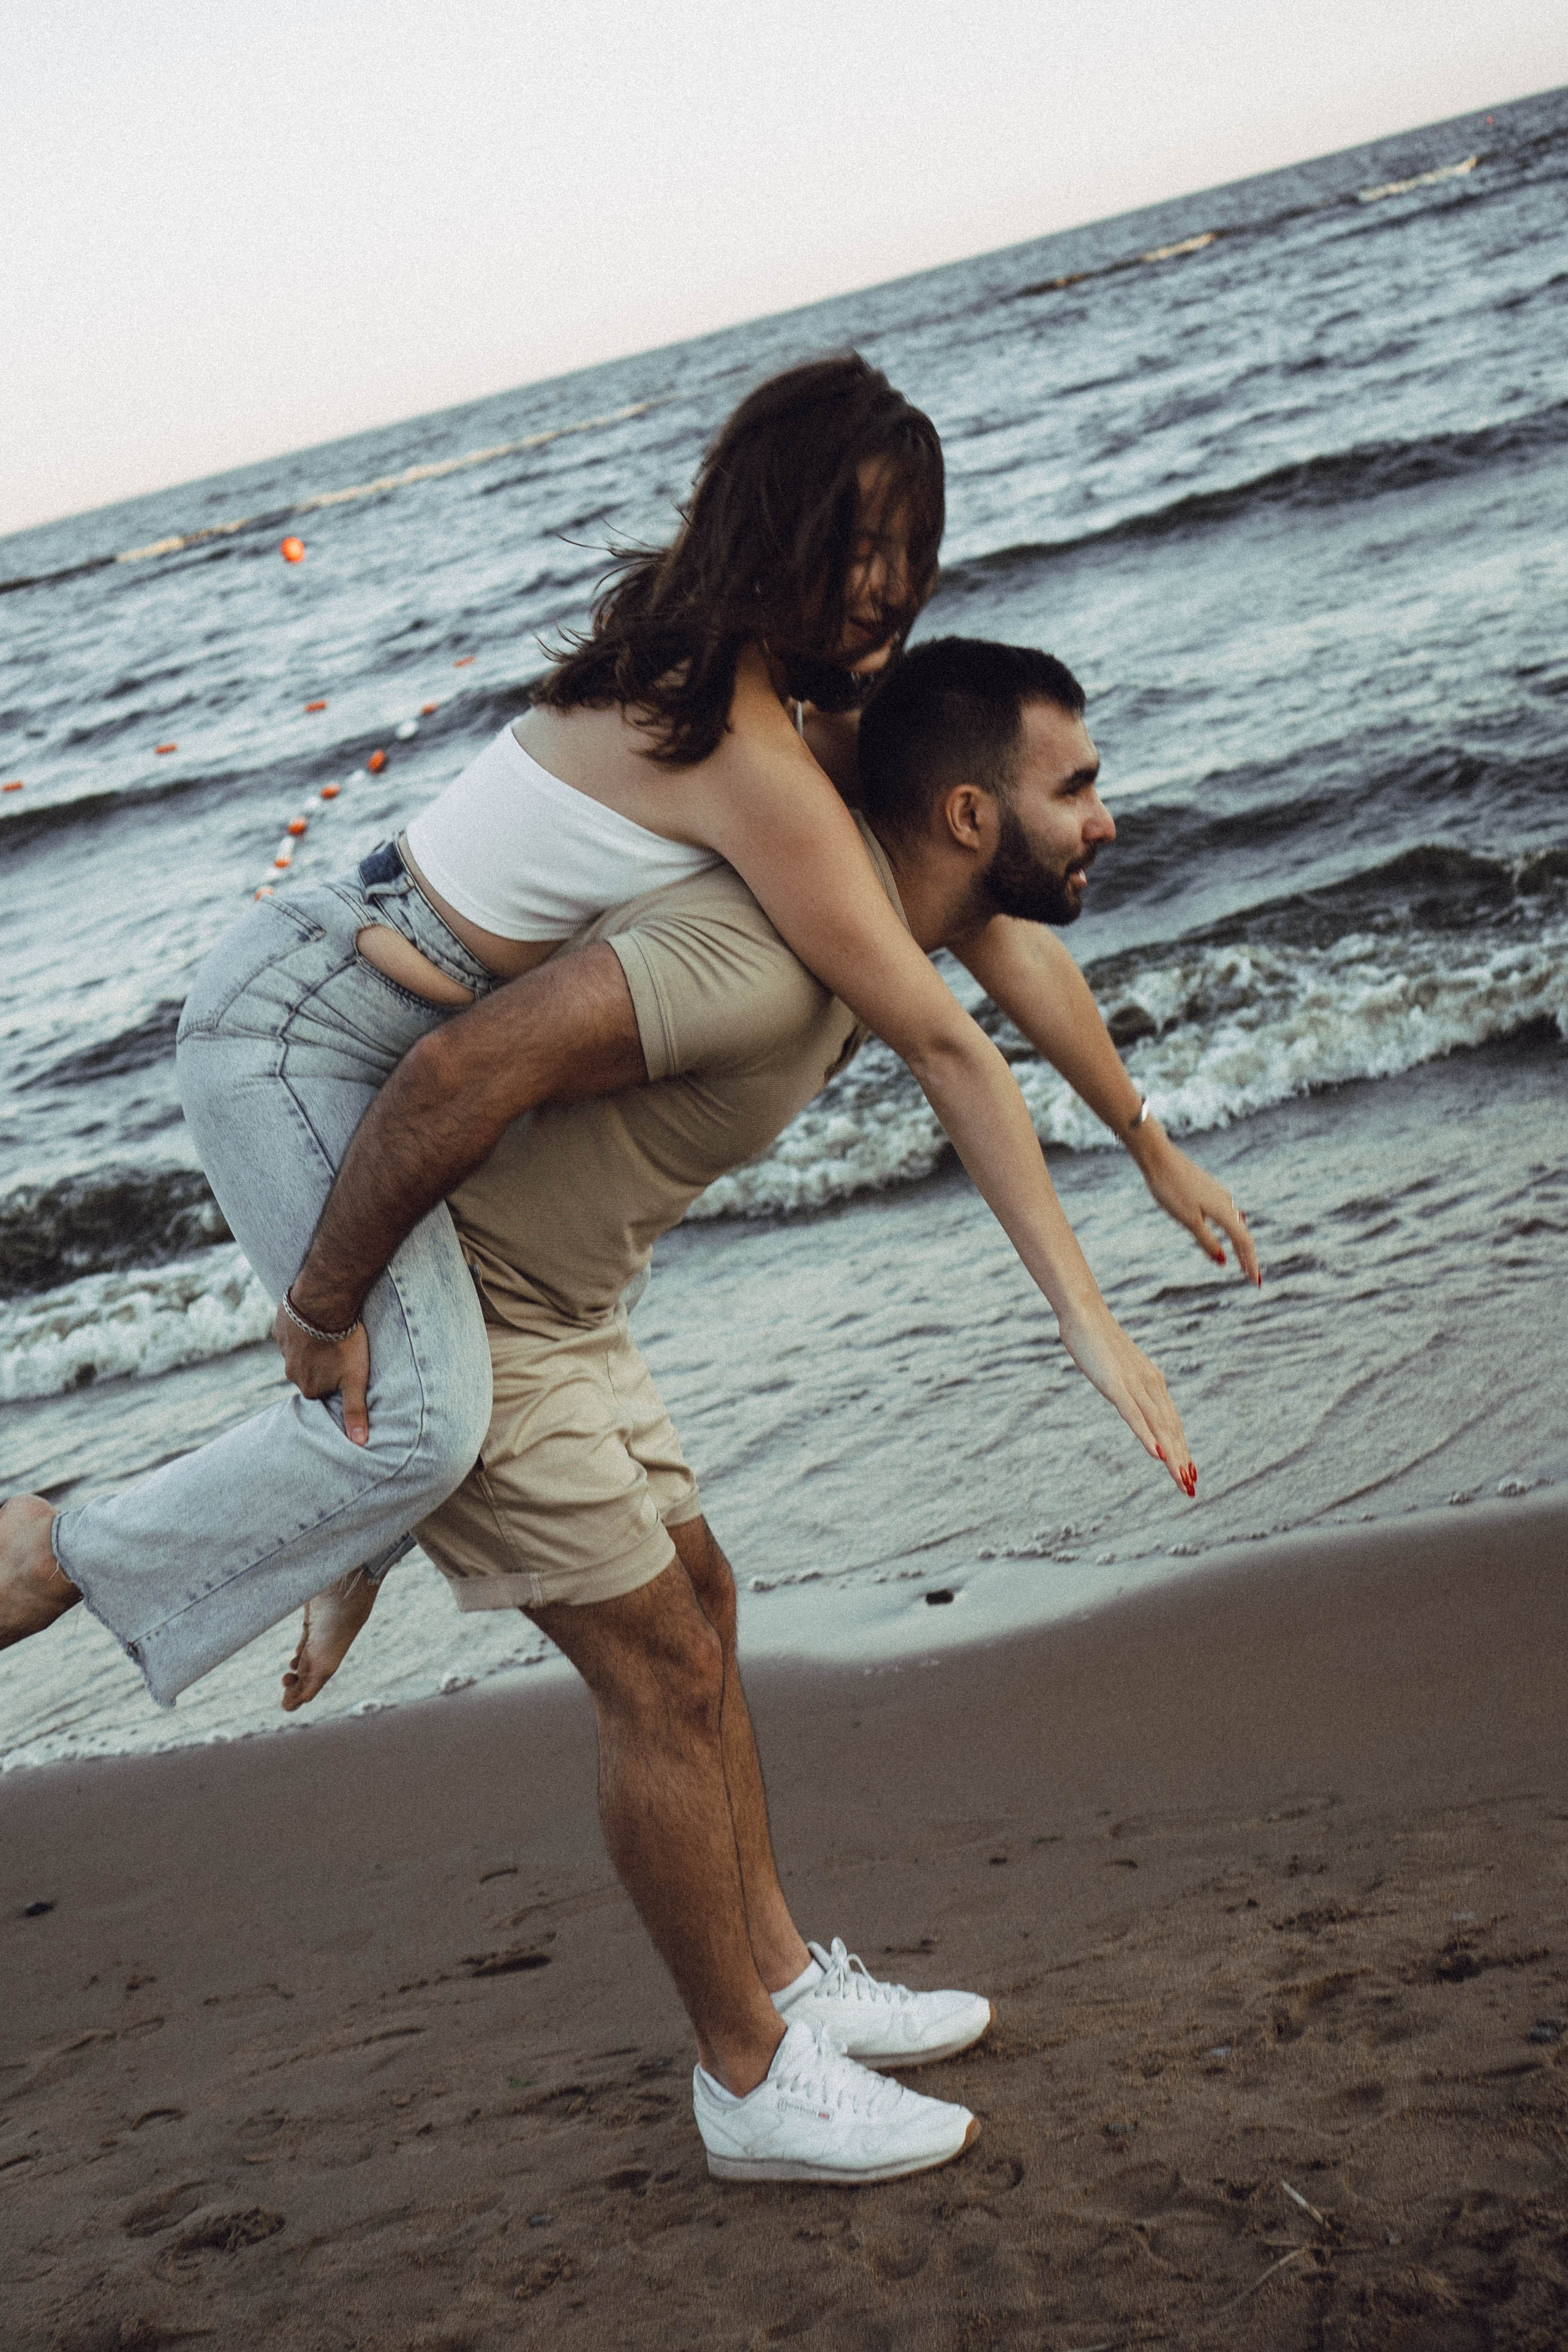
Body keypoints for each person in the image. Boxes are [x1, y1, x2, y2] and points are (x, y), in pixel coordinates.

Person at [1, 363, 1204, 1700]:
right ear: (779, 526)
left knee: (421, 1401)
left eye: (909, 551)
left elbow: (983, 912)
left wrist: (1142, 1137)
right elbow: (942, 1043)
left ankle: (350, 1531)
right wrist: (1083, 1323)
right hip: (298, 1037)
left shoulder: (755, 697)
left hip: (392, 1031)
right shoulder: (743, 742)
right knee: (415, 1414)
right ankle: (62, 1549)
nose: (888, 586)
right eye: (860, 547)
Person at [270, 638, 1259, 2185]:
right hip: (476, 1312)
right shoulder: (757, 953)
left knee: (705, 1602)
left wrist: (1147, 1145)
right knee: (658, 1664)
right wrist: (332, 1319)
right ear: (961, 818)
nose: (1106, 815)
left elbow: (1016, 982)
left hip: (572, 1305)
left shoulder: (886, 909)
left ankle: (790, 1989)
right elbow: (469, 1066)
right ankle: (746, 2079)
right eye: (1076, 787)